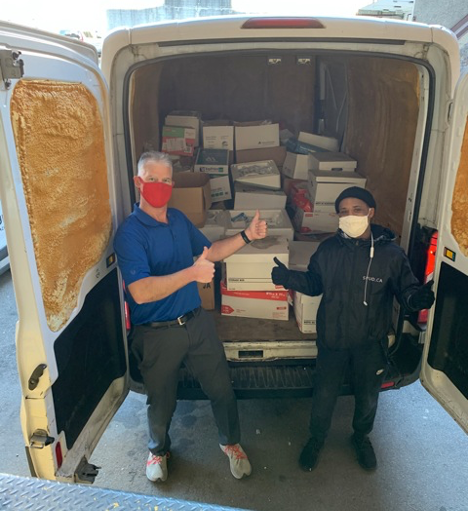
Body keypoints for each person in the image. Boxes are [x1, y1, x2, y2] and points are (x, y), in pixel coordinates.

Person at [114, 151, 268, 483]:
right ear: (138, 183)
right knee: (161, 400)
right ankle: (158, 449)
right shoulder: (129, 233)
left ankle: (231, 442)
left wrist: (247, 236)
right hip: (156, 333)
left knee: (222, 388)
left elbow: (208, 252)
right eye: (152, 179)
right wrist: (192, 274)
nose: (159, 185)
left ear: (173, 184)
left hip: (196, 323)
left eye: (166, 180)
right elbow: (140, 291)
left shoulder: (179, 220)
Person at [271, 187, 435, 472]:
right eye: (343, 211)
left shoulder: (391, 255)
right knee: (324, 394)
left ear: (371, 212)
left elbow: (405, 289)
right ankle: (316, 438)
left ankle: (360, 437)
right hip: (332, 339)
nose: (350, 216)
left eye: (357, 210)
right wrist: (287, 278)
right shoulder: (328, 250)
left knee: (368, 396)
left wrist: (415, 298)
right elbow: (314, 284)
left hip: (370, 343)